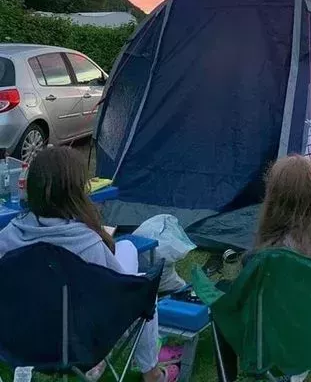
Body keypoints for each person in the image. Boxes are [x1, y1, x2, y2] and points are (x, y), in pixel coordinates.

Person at [0, 146, 181, 382]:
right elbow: (118, 297)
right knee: (144, 292)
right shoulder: (87, 244)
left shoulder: (7, 237)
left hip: (18, 340)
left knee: (125, 251)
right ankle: (152, 373)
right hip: (77, 345)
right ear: (76, 192)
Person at [216, 154, 311, 382]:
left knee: (221, 301)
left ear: (274, 197)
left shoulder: (265, 258)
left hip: (282, 344)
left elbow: (243, 306)